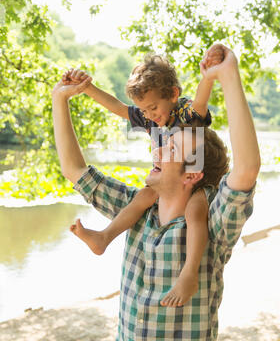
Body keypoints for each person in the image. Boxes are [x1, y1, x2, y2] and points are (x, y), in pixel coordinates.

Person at [52, 45, 260, 341]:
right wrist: (61, 98)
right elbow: (75, 171)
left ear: (193, 174)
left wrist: (226, 75)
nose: (157, 150)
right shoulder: (136, 208)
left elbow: (245, 170)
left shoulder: (211, 228)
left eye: (170, 146)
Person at [62, 44, 224, 307]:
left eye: (153, 108)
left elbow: (201, 101)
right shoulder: (150, 118)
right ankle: (104, 237)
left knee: (196, 210)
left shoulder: (184, 113)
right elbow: (119, 108)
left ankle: (190, 272)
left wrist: (209, 75)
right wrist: (86, 88)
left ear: (173, 94)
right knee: (143, 197)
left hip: (195, 179)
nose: (149, 116)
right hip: (167, 183)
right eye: (145, 111)